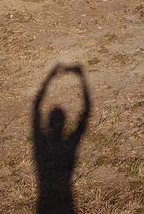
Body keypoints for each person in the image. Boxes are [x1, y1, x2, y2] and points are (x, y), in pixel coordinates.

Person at [31, 64, 90, 214]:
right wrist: (82, 78)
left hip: (44, 205)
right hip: (67, 204)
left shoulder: (41, 145)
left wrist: (49, 77)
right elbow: (85, 114)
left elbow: (35, 110)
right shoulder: (70, 143)